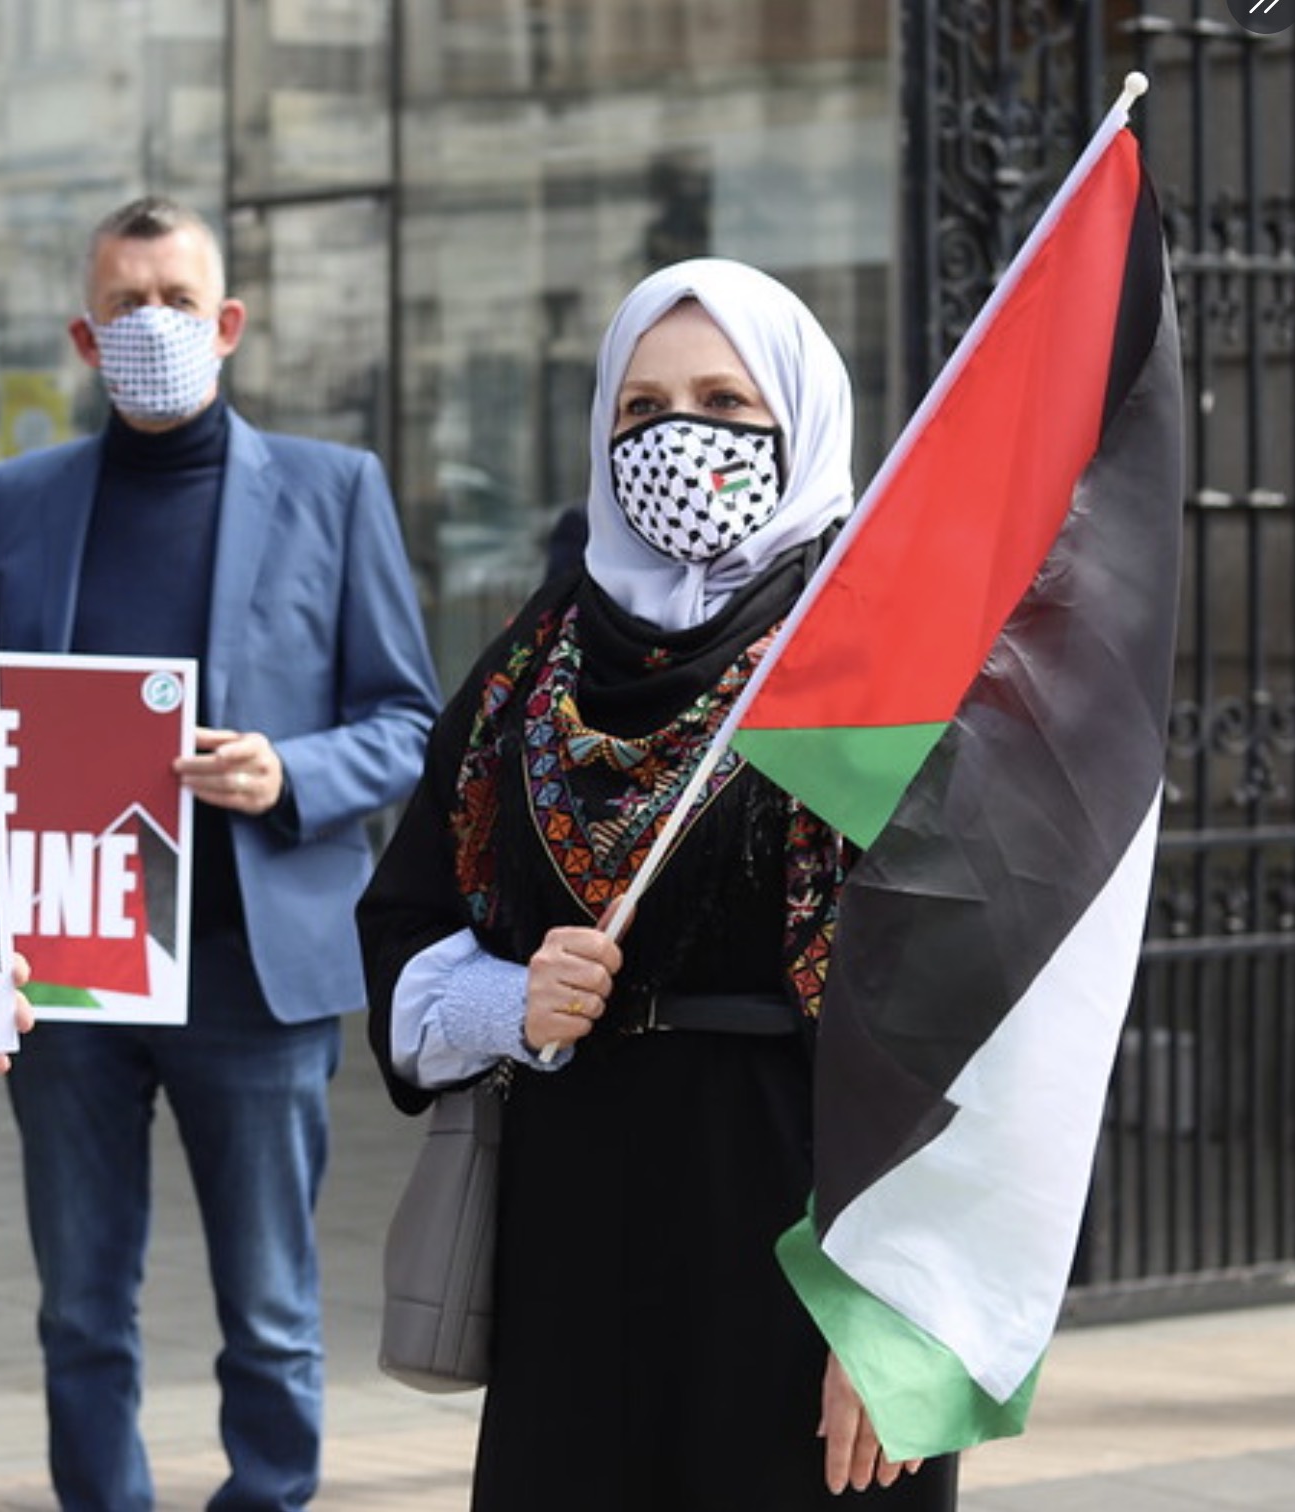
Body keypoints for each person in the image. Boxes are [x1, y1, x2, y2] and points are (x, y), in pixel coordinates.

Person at [356, 258, 960, 1510]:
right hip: (573, 1240)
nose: (679, 438)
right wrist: (504, 1001)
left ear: (798, 423)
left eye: (728, 406)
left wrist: (910, 1317)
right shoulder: (534, 664)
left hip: (809, 1241)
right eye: (640, 410)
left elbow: (971, 1003)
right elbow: (408, 914)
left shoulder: (881, 658)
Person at [0, 195, 440, 1511]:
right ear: (84, 333)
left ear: (227, 324)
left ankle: (268, 1499)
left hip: (251, 971)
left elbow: (410, 720)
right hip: (68, 974)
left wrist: (294, 772)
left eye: (177, 300)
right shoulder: (17, 498)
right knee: (79, 1310)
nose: (152, 324)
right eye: (125, 304)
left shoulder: (333, 489)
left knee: (274, 1311)